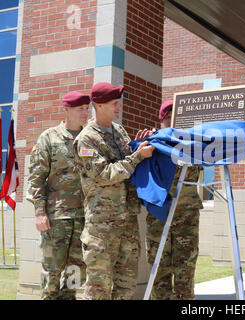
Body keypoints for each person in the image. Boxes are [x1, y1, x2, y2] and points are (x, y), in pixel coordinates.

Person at [73, 82, 155, 300]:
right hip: (102, 227)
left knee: (126, 286)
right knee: (99, 289)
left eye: (119, 103)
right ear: (99, 105)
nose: (119, 107)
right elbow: (105, 174)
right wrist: (138, 156)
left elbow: (128, 159)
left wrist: (140, 146)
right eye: (114, 103)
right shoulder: (86, 139)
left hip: (127, 221)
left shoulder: (118, 130)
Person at [27, 91, 90, 300]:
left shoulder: (88, 138)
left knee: (74, 273)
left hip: (82, 219)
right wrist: (39, 212)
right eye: (80, 108)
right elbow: (36, 178)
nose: (85, 112)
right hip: (56, 219)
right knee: (52, 274)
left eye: (86, 108)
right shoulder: (49, 138)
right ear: (67, 110)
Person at [146, 100, 204, 300]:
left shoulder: (194, 145)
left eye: (175, 117)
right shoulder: (152, 144)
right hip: (158, 218)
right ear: (160, 121)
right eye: (167, 117)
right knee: (159, 271)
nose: (171, 121)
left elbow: (221, 147)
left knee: (185, 273)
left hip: (186, 218)